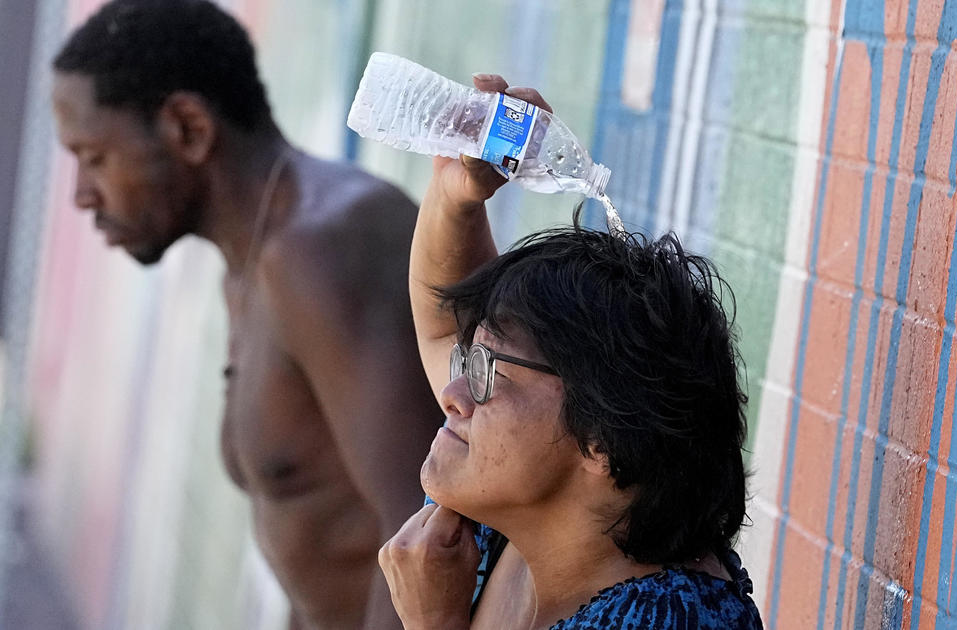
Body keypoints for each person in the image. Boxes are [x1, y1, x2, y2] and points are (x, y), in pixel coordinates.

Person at [50, 1, 443, 627]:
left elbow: (428, 533)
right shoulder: (252, 260)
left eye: (93, 156)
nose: (81, 195)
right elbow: (325, 540)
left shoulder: (317, 253)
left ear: (188, 128)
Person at [377, 75, 764, 629]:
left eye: (485, 372)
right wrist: (455, 194)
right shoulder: (520, 515)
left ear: (601, 440)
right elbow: (446, 327)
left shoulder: (667, 621)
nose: (453, 393)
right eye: (470, 362)